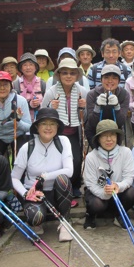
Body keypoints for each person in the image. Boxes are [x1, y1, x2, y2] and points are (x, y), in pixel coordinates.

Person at [11, 108, 74, 242]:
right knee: (35, 217)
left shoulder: (63, 142)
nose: (48, 128)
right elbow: (14, 177)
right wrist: (25, 193)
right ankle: (37, 223)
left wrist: (44, 176)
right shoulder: (27, 147)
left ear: (57, 127)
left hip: (56, 194)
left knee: (63, 180)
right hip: (35, 195)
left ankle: (65, 222)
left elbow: (69, 171)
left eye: (52, 124)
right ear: (37, 127)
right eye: (44, 124)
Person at [42, 58, 88, 201]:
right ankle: (58, 186)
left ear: (77, 76)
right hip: (57, 133)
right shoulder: (51, 92)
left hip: (74, 132)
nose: (68, 76)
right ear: (59, 75)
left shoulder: (82, 92)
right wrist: (51, 108)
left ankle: (74, 185)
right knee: (57, 161)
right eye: (65, 73)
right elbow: (42, 113)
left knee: (76, 160)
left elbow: (85, 117)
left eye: (72, 73)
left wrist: (83, 107)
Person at [82, 120, 134, 230]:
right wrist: (105, 193)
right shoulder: (91, 157)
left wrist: (117, 186)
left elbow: (129, 177)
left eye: (112, 135)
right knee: (96, 204)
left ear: (117, 137)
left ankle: (120, 214)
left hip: (118, 192)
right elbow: (90, 183)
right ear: (98, 139)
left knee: (132, 193)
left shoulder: (126, 152)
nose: (109, 139)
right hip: (99, 194)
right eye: (104, 136)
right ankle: (90, 216)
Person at [85, 64, 130, 149]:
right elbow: (92, 122)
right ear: (101, 80)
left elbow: (121, 121)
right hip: (94, 130)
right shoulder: (92, 94)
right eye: (106, 78)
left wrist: (117, 106)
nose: (110, 81)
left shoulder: (124, 94)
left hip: (115, 129)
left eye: (114, 78)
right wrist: (97, 107)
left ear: (119, 81)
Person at [17, 52, 45, 124]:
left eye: (31, 64)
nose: (28, 67)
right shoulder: (16, 84)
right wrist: (29, 104)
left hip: (39, 121)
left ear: (36, 67)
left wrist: (39, 104)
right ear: (21, 68)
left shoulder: (42, 83)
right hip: (21, 122)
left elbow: (47, 104)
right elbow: (13, 104)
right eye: (25, 65)